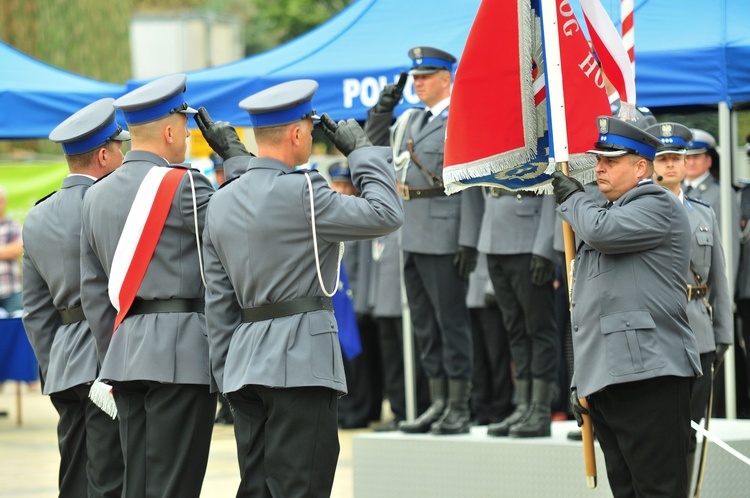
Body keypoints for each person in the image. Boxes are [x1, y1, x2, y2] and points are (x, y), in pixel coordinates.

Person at [200, 79, 403, 497]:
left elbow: (218, 301)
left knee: (256, 489)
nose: (311, 137)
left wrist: (225, 377)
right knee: (301, 488)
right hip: (301, 363)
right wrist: (362, 151)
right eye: (309, 130)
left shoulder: (221, 201)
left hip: (243, 367)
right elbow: (386, 212)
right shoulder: (306, 191)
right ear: (296, 134)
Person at [79, 74, 217, 498]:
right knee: (175, 485)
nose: (190, 136)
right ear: (171, 130)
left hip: (124, 353)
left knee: (135, 484)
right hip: (183, 354)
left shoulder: (96, 196)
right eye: (186, 127)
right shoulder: (187, 183)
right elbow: (239, 233)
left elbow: (93, 293)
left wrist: (117, 353)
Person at [551, 116, 702, 497]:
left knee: (658, 491)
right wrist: (581, 379)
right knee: (627, 491)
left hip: (649, 378)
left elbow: (603, 232)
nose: (599, 167)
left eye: (611, 160)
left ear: (640, 168)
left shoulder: (658, 203)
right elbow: (589, 311)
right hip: (608, 379)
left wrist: (572, 199)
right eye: (599, 159)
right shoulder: (604, 213)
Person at [365, 46, 483, 435]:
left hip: (446, 231)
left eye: (425, 76)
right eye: (415, 77)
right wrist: (383, 111)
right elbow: (371, 149)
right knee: (425, 326)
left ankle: (459, 406)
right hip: (412, 232)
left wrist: (468, 238)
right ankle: (438, 402)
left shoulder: (461, 117)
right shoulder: (410, 119)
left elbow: (470, 180)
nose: (417, 83)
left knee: (451, 324)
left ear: (447, 78)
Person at [23, 98, 128, 497]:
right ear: (103, 155)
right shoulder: (113, 207)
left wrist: (56, 367)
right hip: (110, 361)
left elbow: (35, 311)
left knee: (73, 478)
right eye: (119, 149)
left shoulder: (37, 216)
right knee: (110, 480)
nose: (123, 157)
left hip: (65, 365)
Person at [647, 122, 733, 487]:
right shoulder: (637, 210)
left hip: (698, 335)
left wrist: (723, 333)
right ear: (650, 165)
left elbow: (719, 279)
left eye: (676, 159)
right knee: (658, 433)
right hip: (655, 335)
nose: (670, 165)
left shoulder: (703, 213)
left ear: (686, 163)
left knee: (692, 429)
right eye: (662, 158)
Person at [481, 188, 559, 439]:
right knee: (514, 328)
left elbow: (551, 188)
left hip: (530, 238)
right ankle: (523, 405)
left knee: (539, 328)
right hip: (495, 235)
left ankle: (540, 408)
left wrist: (545, 246)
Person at [328, 162, 384, 429]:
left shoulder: (358, 216)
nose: (341, 190)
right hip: (336, 301)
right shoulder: (332, 215)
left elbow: (366, 263)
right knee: (341, 359)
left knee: (359, 359)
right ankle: (347, 407)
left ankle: (362, 408)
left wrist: (362, 302)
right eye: (337, 184)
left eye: (344, 185)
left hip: (356, 301)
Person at [684, 129, 740, 277]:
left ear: (709, 160)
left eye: (696, 156)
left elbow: (729, 246)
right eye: (686, 157)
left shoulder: (723, 193)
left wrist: (726, 291)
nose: (691, 162)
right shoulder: (673, 191)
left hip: (707, 284)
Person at [0, 186, 22, 313]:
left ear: (5, 202)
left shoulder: (14, 225)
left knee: (17, 327)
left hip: (12, 291)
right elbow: (11, 249)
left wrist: (11, 249)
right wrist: (6, 250)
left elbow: (18, 249)